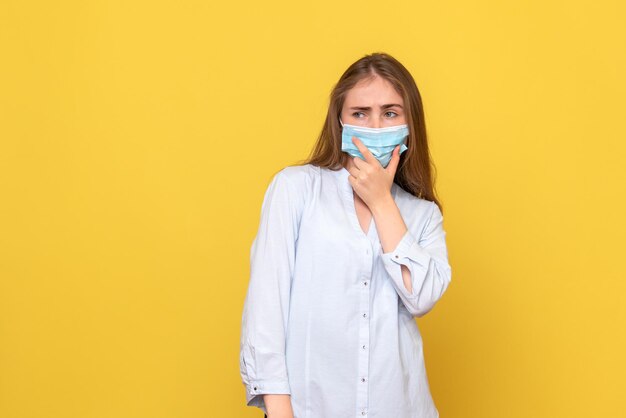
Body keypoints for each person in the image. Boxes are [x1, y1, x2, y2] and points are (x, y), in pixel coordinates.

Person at [239, 52, 452, 418]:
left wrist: (382, 201)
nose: (375, 125)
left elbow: (421, 297)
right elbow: (265, 309)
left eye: (390, 113)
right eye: (360, 113)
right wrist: (279, 408)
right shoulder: (296, 190)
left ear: (409, 122)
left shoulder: (423, 215)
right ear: (340, 120)